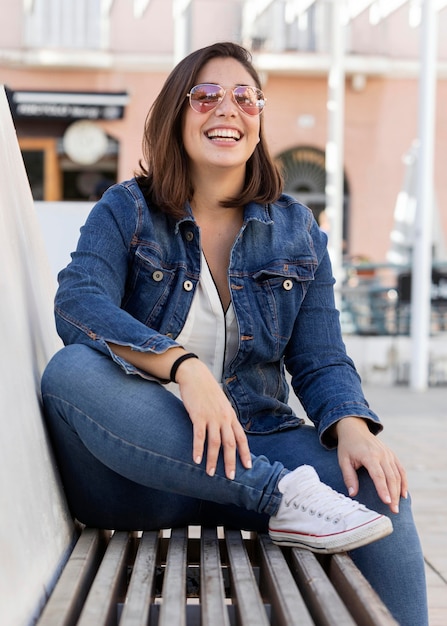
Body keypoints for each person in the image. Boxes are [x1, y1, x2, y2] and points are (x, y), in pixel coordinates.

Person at [41, 42, 428, 625]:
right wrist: (183, 368)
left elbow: (321, 359)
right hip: (139, 473)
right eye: (206, 96)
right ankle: (280, 499)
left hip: (257, 441)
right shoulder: (126, 210)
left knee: (377, 483)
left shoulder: (298, 230)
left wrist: (353, 428)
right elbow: (77, 304)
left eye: (245, 97)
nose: (228, 109)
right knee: (69, 373)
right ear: (177, 114)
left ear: (259, 118)